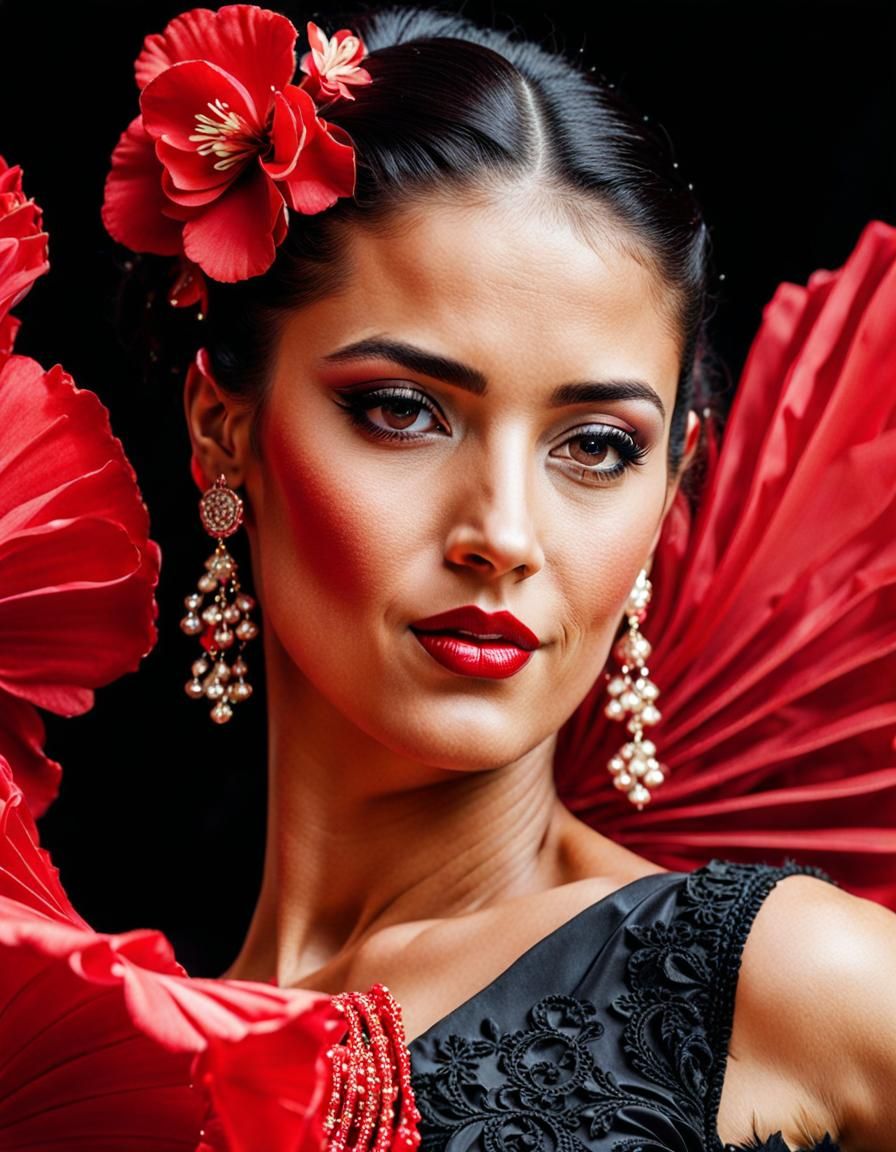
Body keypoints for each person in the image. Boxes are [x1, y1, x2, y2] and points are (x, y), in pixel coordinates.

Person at [0, 4, 894, 1152]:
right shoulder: (90, 1061)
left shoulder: (786, 984)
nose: (502, 534)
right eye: (403, 412)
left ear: (671, 485)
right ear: (224, 427)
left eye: (595, 446)